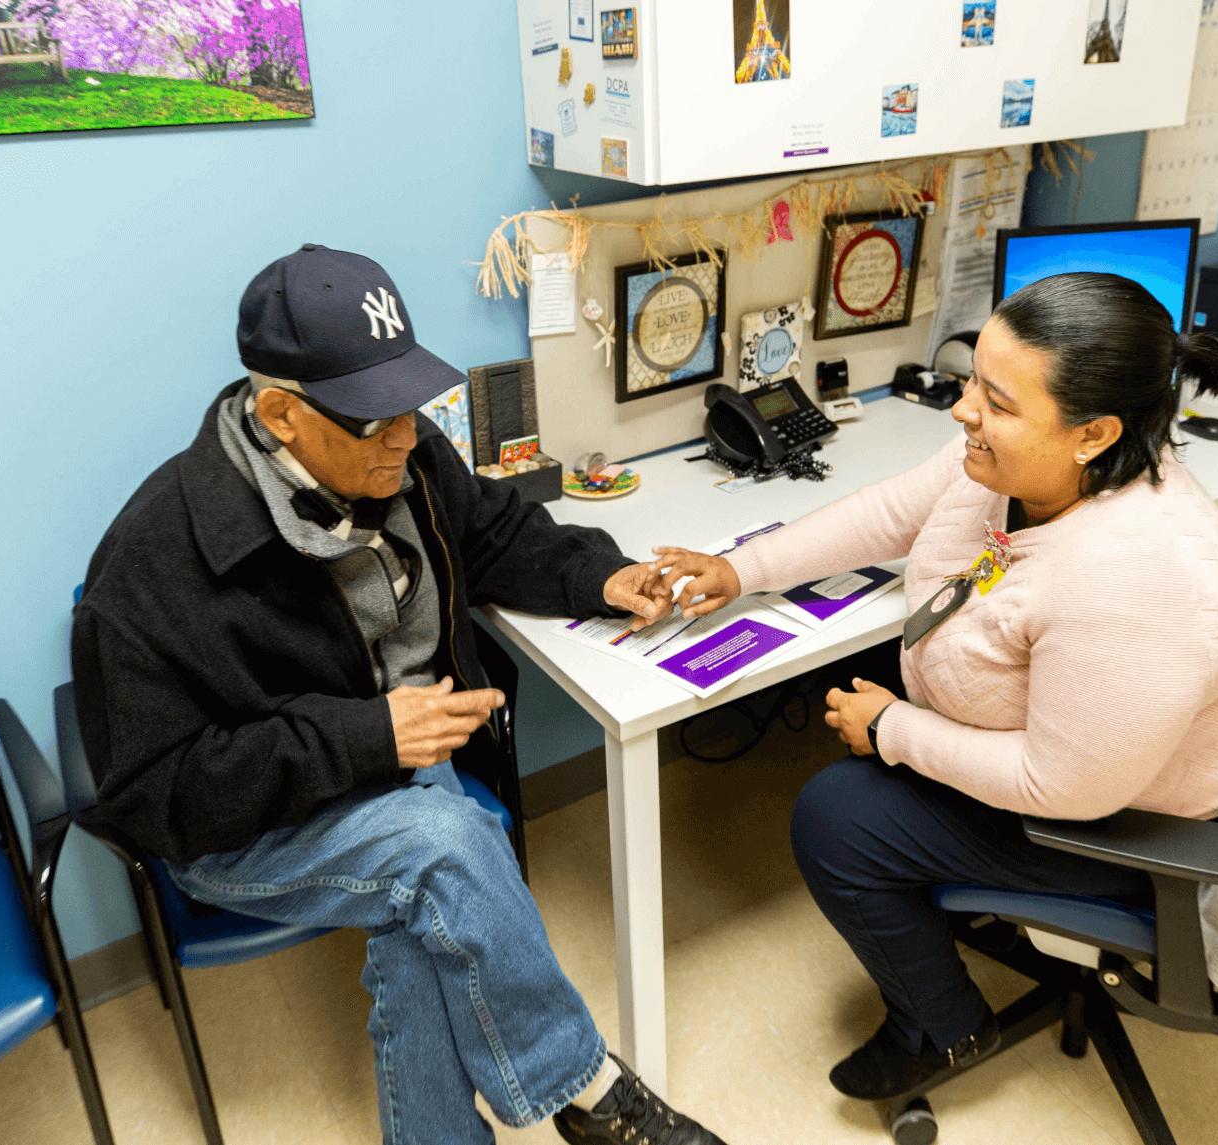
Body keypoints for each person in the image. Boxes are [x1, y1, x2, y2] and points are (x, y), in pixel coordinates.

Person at [70, 244, 729, 1145]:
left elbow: (493, 531)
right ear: (280, 415)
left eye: (410, 406)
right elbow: (158, 795)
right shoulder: (153, 563)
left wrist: (599, 577)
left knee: (427, 921)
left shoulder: (401, 452)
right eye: (376, 420)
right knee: (446, 846)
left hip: (400, 770)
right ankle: (591, 1091)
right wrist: (365, 739)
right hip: (245, 824)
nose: (408, 437)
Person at [649, 272, 1218, 1102]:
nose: (964, 411)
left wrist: (894, 730)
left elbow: (1060, 784)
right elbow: (893, 511)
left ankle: (939, 1026)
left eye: (997, 401)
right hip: (1062, 755)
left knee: (837, 817)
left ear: (1096, 433)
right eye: (974, 379)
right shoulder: (1014, 451)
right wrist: (740, 567)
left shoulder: (1136, 574)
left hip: (1124, 828)